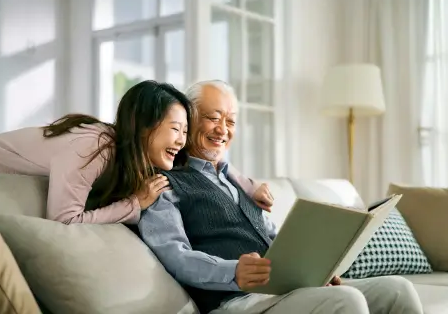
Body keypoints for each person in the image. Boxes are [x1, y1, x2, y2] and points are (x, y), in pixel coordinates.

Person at [138, 80, 424, 314]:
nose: (223, 129)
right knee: (347, 302)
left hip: (283, 292)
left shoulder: (240, 183)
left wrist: (317, 271)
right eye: (213, 118)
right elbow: (175, 256)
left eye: (231, 121)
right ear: (188, 121)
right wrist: (232, 271)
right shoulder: (167, 184)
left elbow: (275, 238)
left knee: (398, 289)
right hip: (236, 302)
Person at [0, 80, 191, 225]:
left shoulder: (127, 158)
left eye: (185, 131)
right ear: (144, 126)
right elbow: (64, 220)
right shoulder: (95, 147)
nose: (181, 141)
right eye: (175, 129)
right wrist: (134, 203)